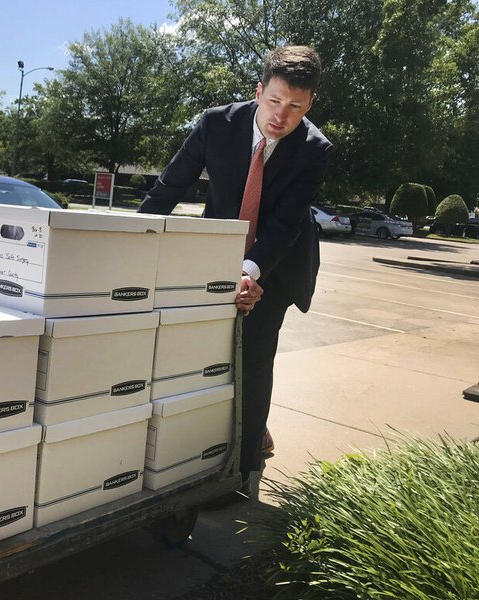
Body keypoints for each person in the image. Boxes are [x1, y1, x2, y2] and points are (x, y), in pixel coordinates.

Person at [138, 45, 333, 495]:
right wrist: (133, 241)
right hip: (216, 253)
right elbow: (169, 188)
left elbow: (286, 224)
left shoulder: (313, 149)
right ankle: (224, 440)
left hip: (276, 264)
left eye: (296, 107)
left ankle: (242, 474)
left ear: (310, 105)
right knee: (205, 356)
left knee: (252, 357)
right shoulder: (215, 124)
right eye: (274, 101)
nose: (281, 116)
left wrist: (251, 273)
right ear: (259, 90)